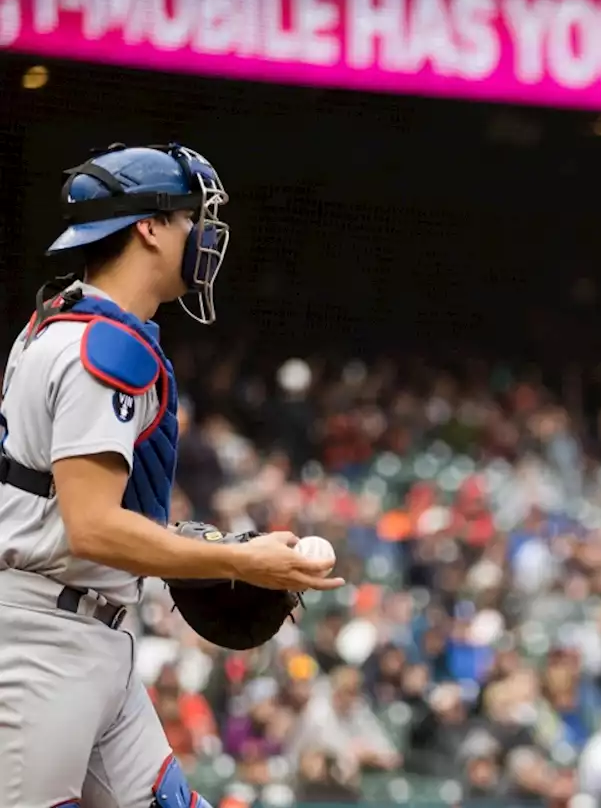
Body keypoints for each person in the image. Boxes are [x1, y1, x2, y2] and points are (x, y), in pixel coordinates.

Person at [0, 143, 344, 808]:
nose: (202, 234)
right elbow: (93, 527)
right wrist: (234, 562)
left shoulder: (62, 320)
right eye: (190, 216)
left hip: (88, 629)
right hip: (40, 645)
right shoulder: (103, 345)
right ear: (148, 228)